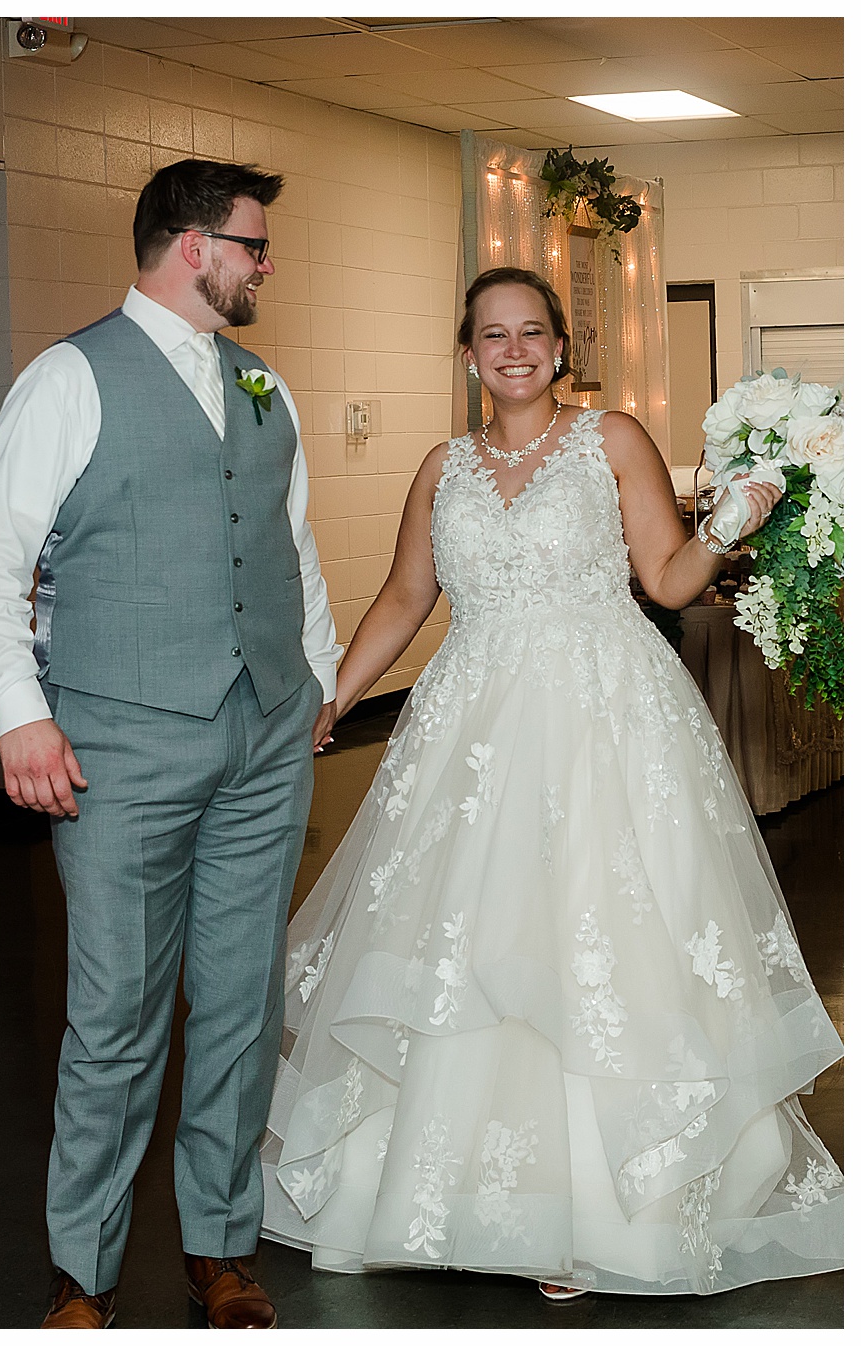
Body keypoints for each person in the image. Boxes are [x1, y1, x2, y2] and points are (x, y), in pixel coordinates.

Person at [259, 267, 844, 1298]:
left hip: (605, 719)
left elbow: (664, 577)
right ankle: (468, 1194)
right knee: (475, 941)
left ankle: (596, 1209)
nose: (515, 349)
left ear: (560, 348)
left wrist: (730, 521)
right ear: (469, 353)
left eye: (533, 332)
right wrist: (335, 696)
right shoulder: (442, 468)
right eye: (494, 334)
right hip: (472, 726)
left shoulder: (611, 440)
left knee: (593, 939)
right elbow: (405, 595)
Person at [0, 158, 340, 1329]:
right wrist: (20, 712)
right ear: (191, 245)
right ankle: (83, 1269)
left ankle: (220, 1245)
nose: (263, 263)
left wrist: (318, 679)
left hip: (264, 732)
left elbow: (294, 546)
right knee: (116, 1012)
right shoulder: (70, 376)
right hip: (121, 742)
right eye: (253, 244)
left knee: (239, 1002)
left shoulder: (264, 383)